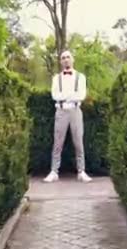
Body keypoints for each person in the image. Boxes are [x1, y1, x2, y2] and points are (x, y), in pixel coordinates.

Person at [43, 50, 92, 183]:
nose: (66, 60)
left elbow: (81, 95)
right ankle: (54, 171)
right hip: (61, 111)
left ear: (72, 59)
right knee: (57, 142)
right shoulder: (56, 78)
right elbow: (55, 96)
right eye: (63, 58)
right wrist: (71, 95)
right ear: (60, 61)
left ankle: (81, 171)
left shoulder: (80, 77)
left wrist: (66, 95)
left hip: (75, 111)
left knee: (78, 142)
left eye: (68, 57)